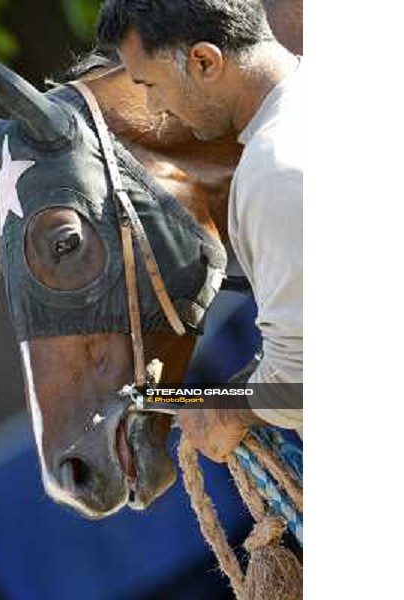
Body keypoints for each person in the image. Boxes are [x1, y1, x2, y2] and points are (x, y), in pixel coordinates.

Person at [97, 0, 302, 462]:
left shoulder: (274, 168)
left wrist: (228, 412)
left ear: (205, 61)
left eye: (150, 85)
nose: (156, 107)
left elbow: (304, 383)